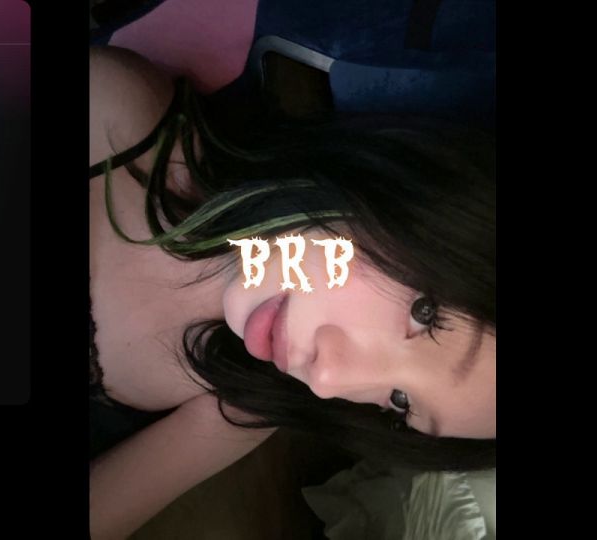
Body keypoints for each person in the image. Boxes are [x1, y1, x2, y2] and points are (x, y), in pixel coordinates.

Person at [88, 45, 495, 539]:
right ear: (417, 201)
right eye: (424, 314)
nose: (326, 380)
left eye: (400, 403)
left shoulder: (245, 403)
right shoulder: (115, 119)